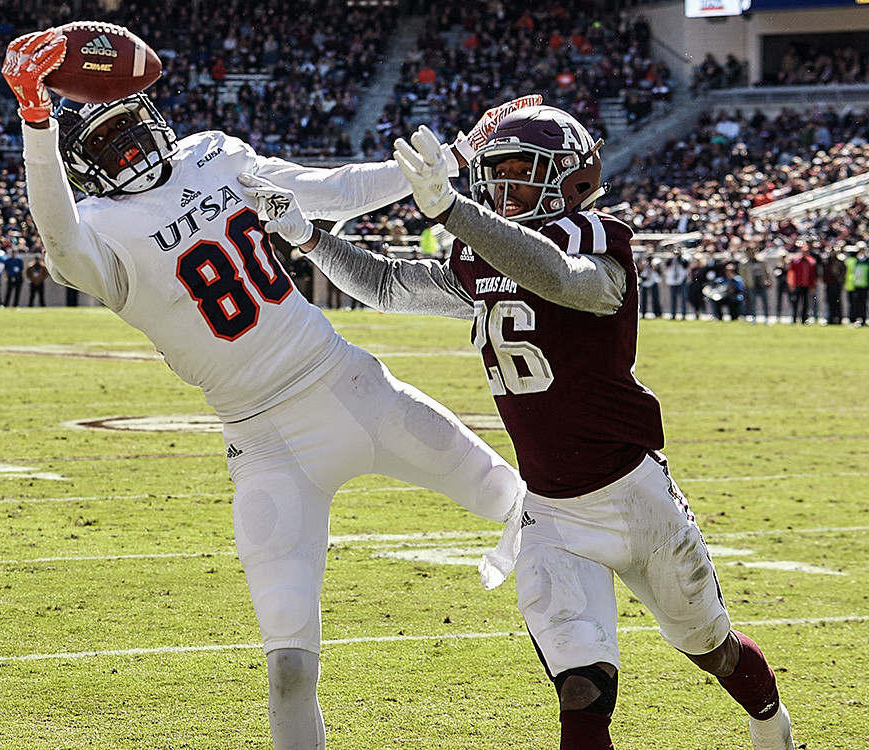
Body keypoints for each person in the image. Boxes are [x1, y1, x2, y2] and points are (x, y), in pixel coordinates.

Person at [2, 29, 533, 750]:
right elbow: (59, 240)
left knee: (526, 509)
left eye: (129, 126)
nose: (128, 148)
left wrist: (454, 160)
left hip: (348, 384)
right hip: (264, 445)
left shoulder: (216, 155)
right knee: (287, 667)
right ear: (83, 172)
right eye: (106, 144)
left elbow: (334, 191)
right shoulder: (96, 231)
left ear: (155, 116)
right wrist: (37, 121)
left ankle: (592, 657)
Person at [243, 106, 796, 750]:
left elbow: (565, 281)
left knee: (712, 649)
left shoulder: (597, 234)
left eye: (519, 173)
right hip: (552, 509)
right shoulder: (481, 250)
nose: (502, 190)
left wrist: (455, 212)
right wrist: (309, 237)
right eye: (494, 174)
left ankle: (770, 722)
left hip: (633, 493)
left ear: (568, 176)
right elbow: (391, 284)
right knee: (582, 691)